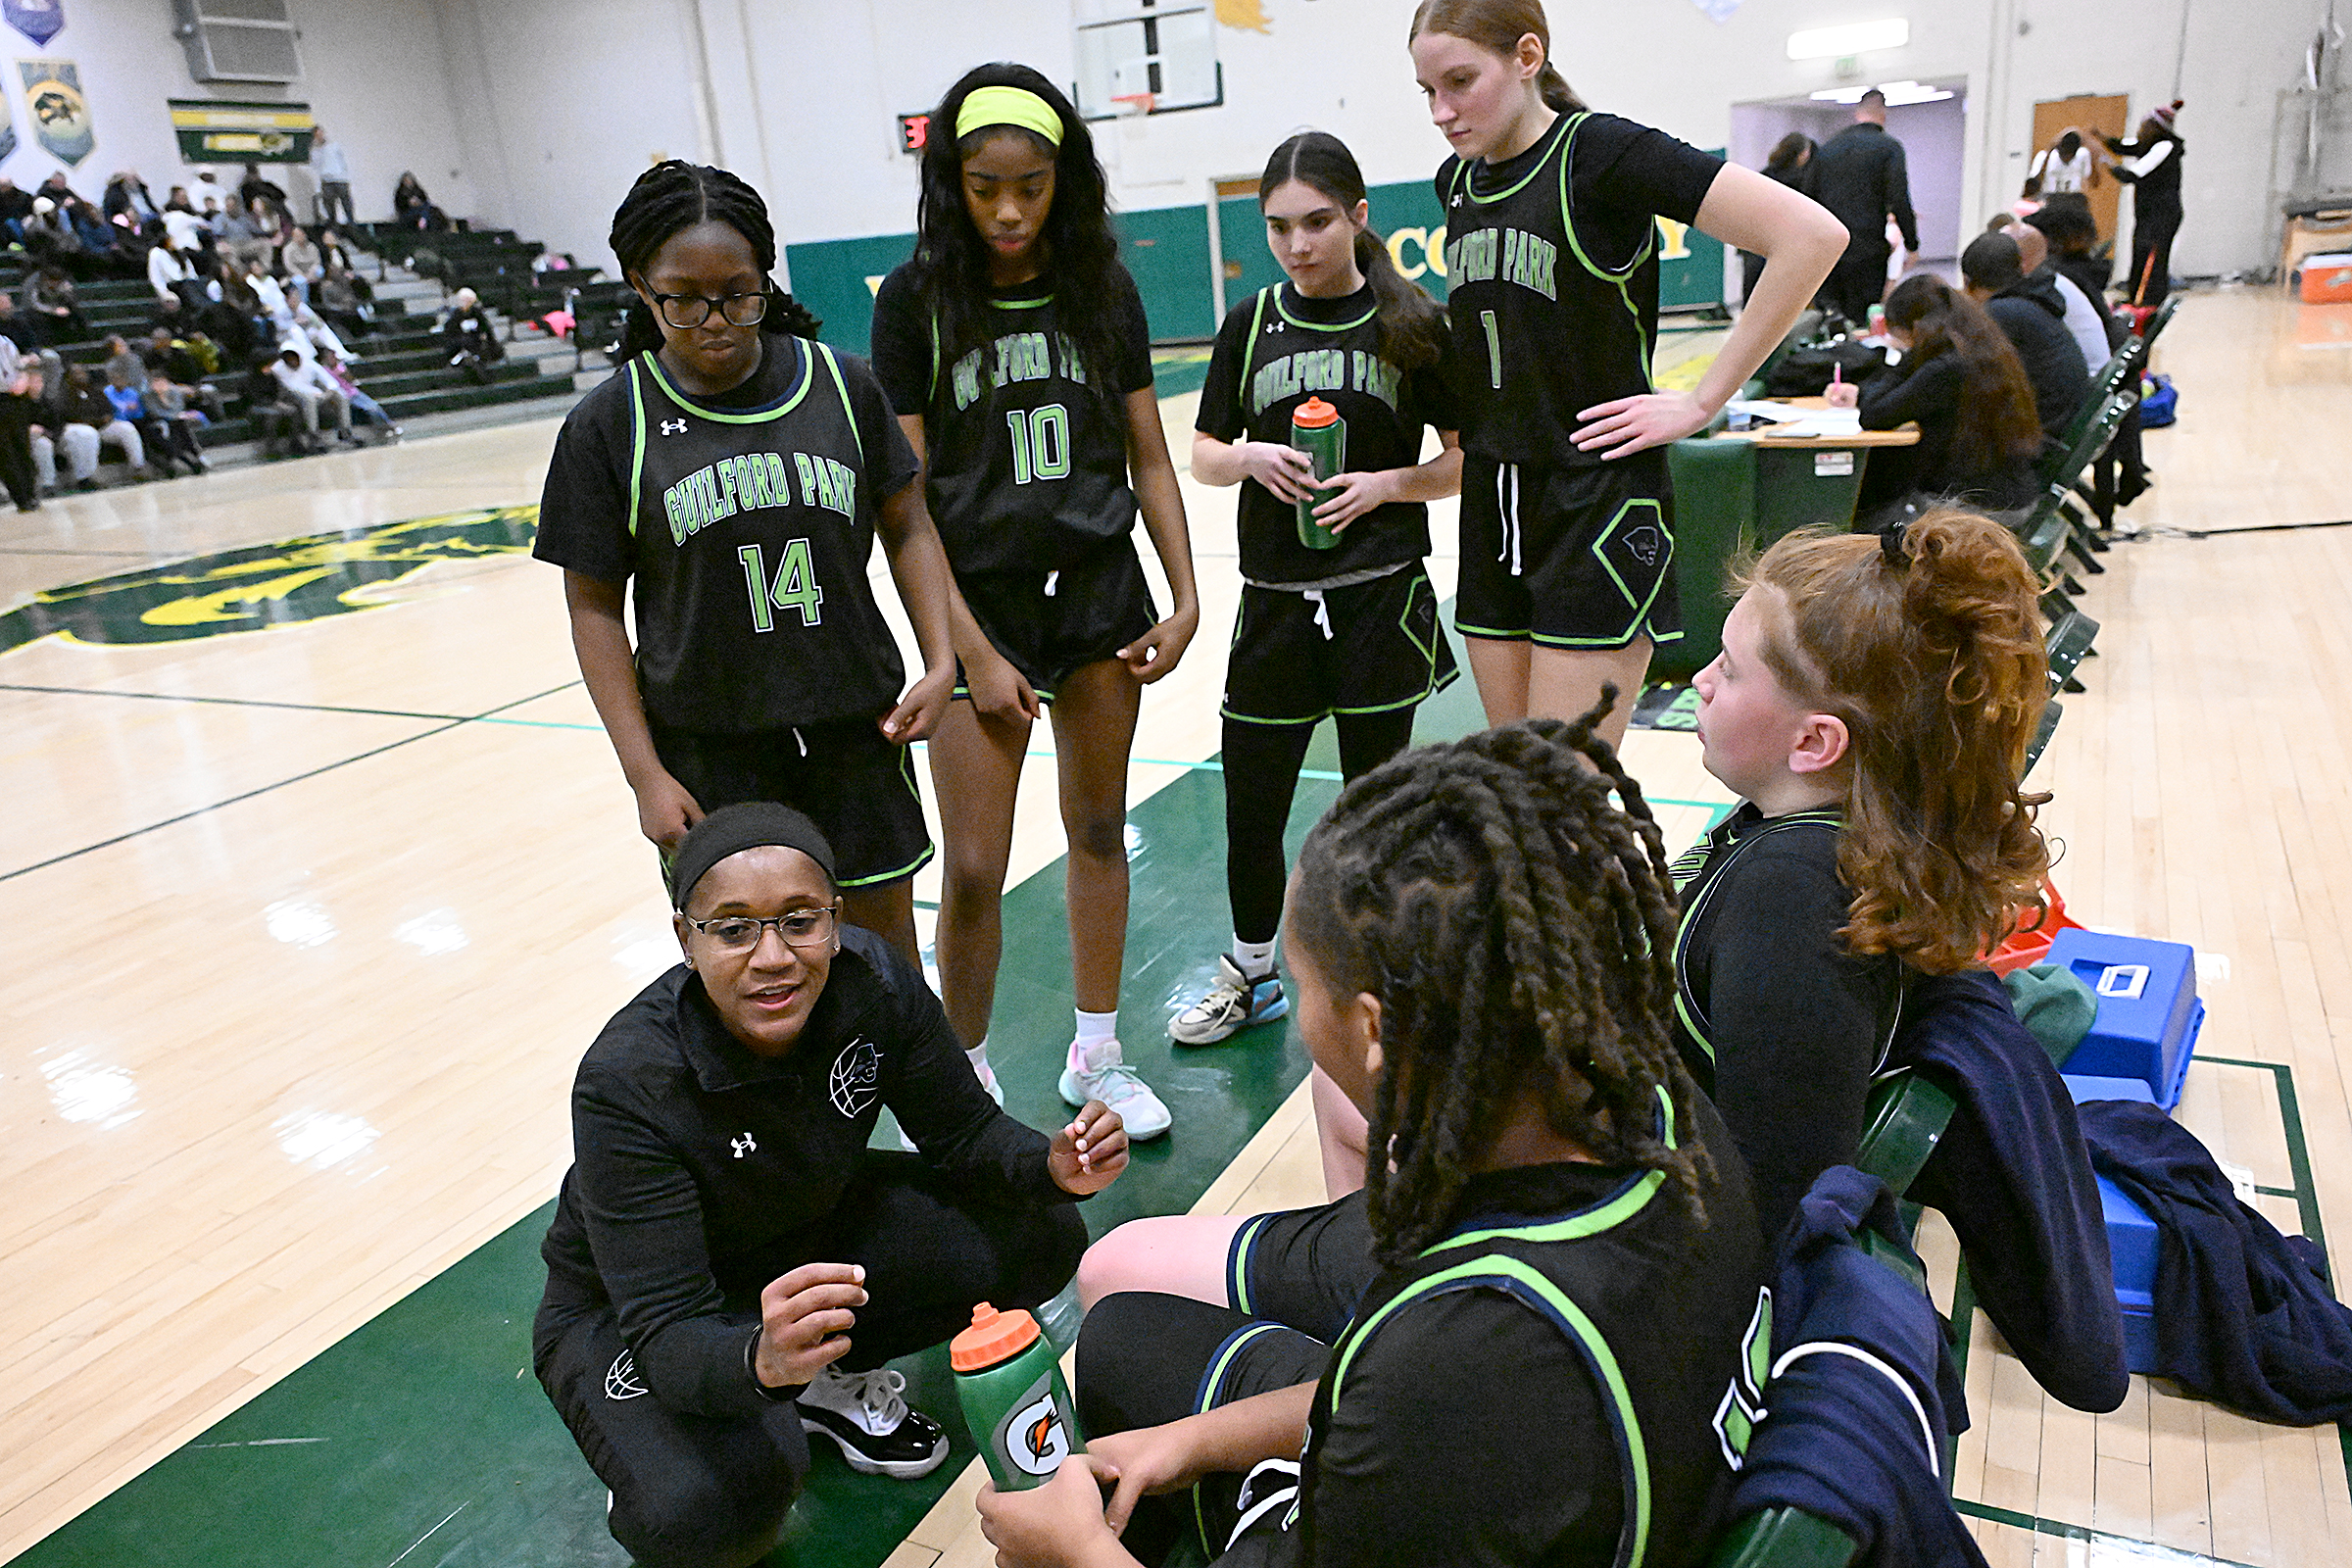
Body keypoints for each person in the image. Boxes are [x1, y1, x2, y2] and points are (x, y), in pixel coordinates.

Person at [995, 717, 1766, 1568]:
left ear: (1376, 1028)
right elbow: (1414, 1401)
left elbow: (1429, 1400)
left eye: (1303, 983)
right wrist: (1199, 1440)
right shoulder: (1659, 1107)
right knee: (1123, 1341)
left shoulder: (1455, 1361)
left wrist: (1074, 1554)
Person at [534, 803, 1127, 1568]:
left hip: (800, 1243)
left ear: (836, 923)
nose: (773, 956)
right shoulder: (628, 1079)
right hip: (639, 1305)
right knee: (710, 1510)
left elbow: (966, 1134)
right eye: (735, 927)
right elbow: (669, 1323)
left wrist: (1051, 1165)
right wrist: (758, 1358)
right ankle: (680, 1442)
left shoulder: (875, 984)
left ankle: (814, 1382)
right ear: (687, 939)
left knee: (1041, 1232)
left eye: (799, 920)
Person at [868, 64, 1201, 1137]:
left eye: (1032, 184)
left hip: (1099, 589)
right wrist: (968, 646)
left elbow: (1150, 455)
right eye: (984, 186)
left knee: (1099, 826)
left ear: (1066, 178)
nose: (1009, 209)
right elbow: (905, 503)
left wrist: (1188, 592)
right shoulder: (916, 302)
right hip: (979, 609)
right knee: (972, 864)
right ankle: (956, 1079)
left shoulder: (1103, 287)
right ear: (950, 184)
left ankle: (1096, 1054)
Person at [535, 160, 963, 962]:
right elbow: (593, 610)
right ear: (639, 284)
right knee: (749, 976)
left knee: (883, 956)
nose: (716, 320)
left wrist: (941, 660)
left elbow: (909, 526)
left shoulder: (844, 386)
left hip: (854, 726)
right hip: (708, 748)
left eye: (738, 293)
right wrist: (643, 776)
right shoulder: (607, 426)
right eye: (684, 300)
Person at [1407, 0, 1846, 742]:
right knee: (1514, 783)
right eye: (1427, 92)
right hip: (1491, 500)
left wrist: (1706, 398)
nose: (1442, 111)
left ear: (1526, 56)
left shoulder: (1603, 153)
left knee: (1569, 798)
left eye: (1459, 82)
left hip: (1595, 498)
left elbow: (1810, 235)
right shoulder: (1457, 182)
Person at [1168, 130, 1462, 1071]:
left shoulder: (1412, 322)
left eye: (1318, 222)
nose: (1298, 244)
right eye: (1280, 226)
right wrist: (1251, 458)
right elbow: (1205, 454)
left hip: (1381, 599)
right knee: (1253, 805)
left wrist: (1387, 486)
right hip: (1276, 603)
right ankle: (1255, 972)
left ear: (1359, 216)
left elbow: (1462, 460)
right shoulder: (1249, 326)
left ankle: (1379, 981)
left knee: (1376, 811)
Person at [1673, 512, 2050, 1234]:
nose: (1700, 680)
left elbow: (1778, 1207)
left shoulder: (1790, 899)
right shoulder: (1844, 833)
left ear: (1815, 741)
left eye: (1728, 666)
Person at [1836, 273, 2041, 518]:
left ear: (1916, 328)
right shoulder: (1980, 346)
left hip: (1979, 505)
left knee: (1866, 515)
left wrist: (1906, 357)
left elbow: (1873, 415)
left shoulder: (1945, 368)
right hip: (2005, 492)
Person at [1805, 89, 1921, 326]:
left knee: (1830, 318)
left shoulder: (1827, 148)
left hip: (1829, 248)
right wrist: (1912, 243)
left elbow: (1808, 197)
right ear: (1883, 114)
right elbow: (1899, 198)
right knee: (1862, 320)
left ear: (1857, 113)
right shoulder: (1889, 148)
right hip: (1868, 249)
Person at [1960, 228, 2088, 441]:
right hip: (2060, 425)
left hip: (2040, 436)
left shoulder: (2001, 312)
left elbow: (1961, 367)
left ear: (1967, 281)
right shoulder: (2031, 300)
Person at [2099, 101, 2184, 312]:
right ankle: (2134, 298)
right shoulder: (2149, 144)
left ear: (2156, 128)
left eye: (2144, 125)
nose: (2140, 129)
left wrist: (2105, 161)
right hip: (2148, 213)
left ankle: (2148, 303)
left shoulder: (2165, 146)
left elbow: (2130, 175)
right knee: (2140, 252)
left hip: (2162, 214)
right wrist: (2100, 138)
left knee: (2152, 259)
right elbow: (2123, 146)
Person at [37, 364, 148, 488]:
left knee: (127, 428)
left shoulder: (94, 390)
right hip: (77, 428)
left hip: (101, 426)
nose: (81, 376)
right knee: (87, 433)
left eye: (82, 372)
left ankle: (138, 467)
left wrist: (106, 417)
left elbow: (108, 409)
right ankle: (88, 477)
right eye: (76, 373)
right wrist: (94, 421)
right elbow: (69, 415)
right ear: (68, 377)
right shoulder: (63, 395)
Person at [1741, 131, 1815, 305]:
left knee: (1754, 300)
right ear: (1803, 154)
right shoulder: (1800, 182)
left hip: (1754, 244)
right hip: (1782, 246)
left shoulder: (1761, 176)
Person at [270, 347, 354, 448]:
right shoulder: (278, 369)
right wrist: (315, 393)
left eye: (294, 358)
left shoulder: (309, 363)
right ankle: (313, 435)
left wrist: (330, 389)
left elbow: (327, 379)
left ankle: (345, 430)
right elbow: (291, 387)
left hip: (317, 394)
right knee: (309, 400)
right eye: (289, 359)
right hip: (293, 398)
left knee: (340, 394)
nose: (292, 362)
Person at [318, 349, 399, 441]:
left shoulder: (340, 367)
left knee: (375, 406)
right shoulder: (324, 370)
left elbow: (351, 381)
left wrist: (344, 374)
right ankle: (382, 428)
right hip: (345, 395)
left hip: (354, 392)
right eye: (330, 357)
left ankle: (389, 424)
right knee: (370, 409)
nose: (333, 359)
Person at [0, 334, 40, 511]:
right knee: (5, 453)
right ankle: (21, 498)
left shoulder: (6, 342)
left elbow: (18, 367)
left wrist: (23, 376)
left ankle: (31, 494)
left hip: (15, 401)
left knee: (22, 447)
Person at [144, 372, 213, 474]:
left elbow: (179, 407)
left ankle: (196, 454)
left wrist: (171, 409)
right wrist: (172, 414)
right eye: (155, 382)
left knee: (181, 425)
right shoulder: (147, 396)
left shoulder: (174, 392)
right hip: (161, 421)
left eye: (161, 382)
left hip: (178, 419)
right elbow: (155, 412)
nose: (159, 385)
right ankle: (183, 459)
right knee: (170, 427)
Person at [435, 285, 504, 377]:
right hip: (461, 344)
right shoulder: (455, 315)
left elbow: (486, 328)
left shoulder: (476, 313)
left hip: (476, 342)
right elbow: (450, 333)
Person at [2027, 128, 2097, 200]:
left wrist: (2094, 156)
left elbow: (2092, 181)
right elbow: (2033, 182)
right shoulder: (2043, 157)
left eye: (2068, 155)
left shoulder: (2083, 156)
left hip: (2072, 201)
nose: (2065, 158)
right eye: (2063, 153)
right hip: (2049, 200)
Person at [312, 127, 355, 228]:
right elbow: (316, 165)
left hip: (340, 179)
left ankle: (351, 223)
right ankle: (333, 224)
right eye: (317, 135)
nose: (320, 136)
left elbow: (342, 159)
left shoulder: (333, 145)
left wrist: (344, 173)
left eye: (320, 133)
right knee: (329, 204)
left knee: (346, 203)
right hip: (326, 180)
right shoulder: (315, 150)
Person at [279, 224, 323, 304]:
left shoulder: (312, 246)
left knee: (320, 271)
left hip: (311, 272)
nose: (299, 237)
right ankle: (304, 303)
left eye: (301, 235)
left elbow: (317, 261)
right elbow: (289, 265)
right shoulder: (288, 249)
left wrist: (311, 272)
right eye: (297, 235)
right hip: (296, 273)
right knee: (301, 281)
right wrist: (301, 274)